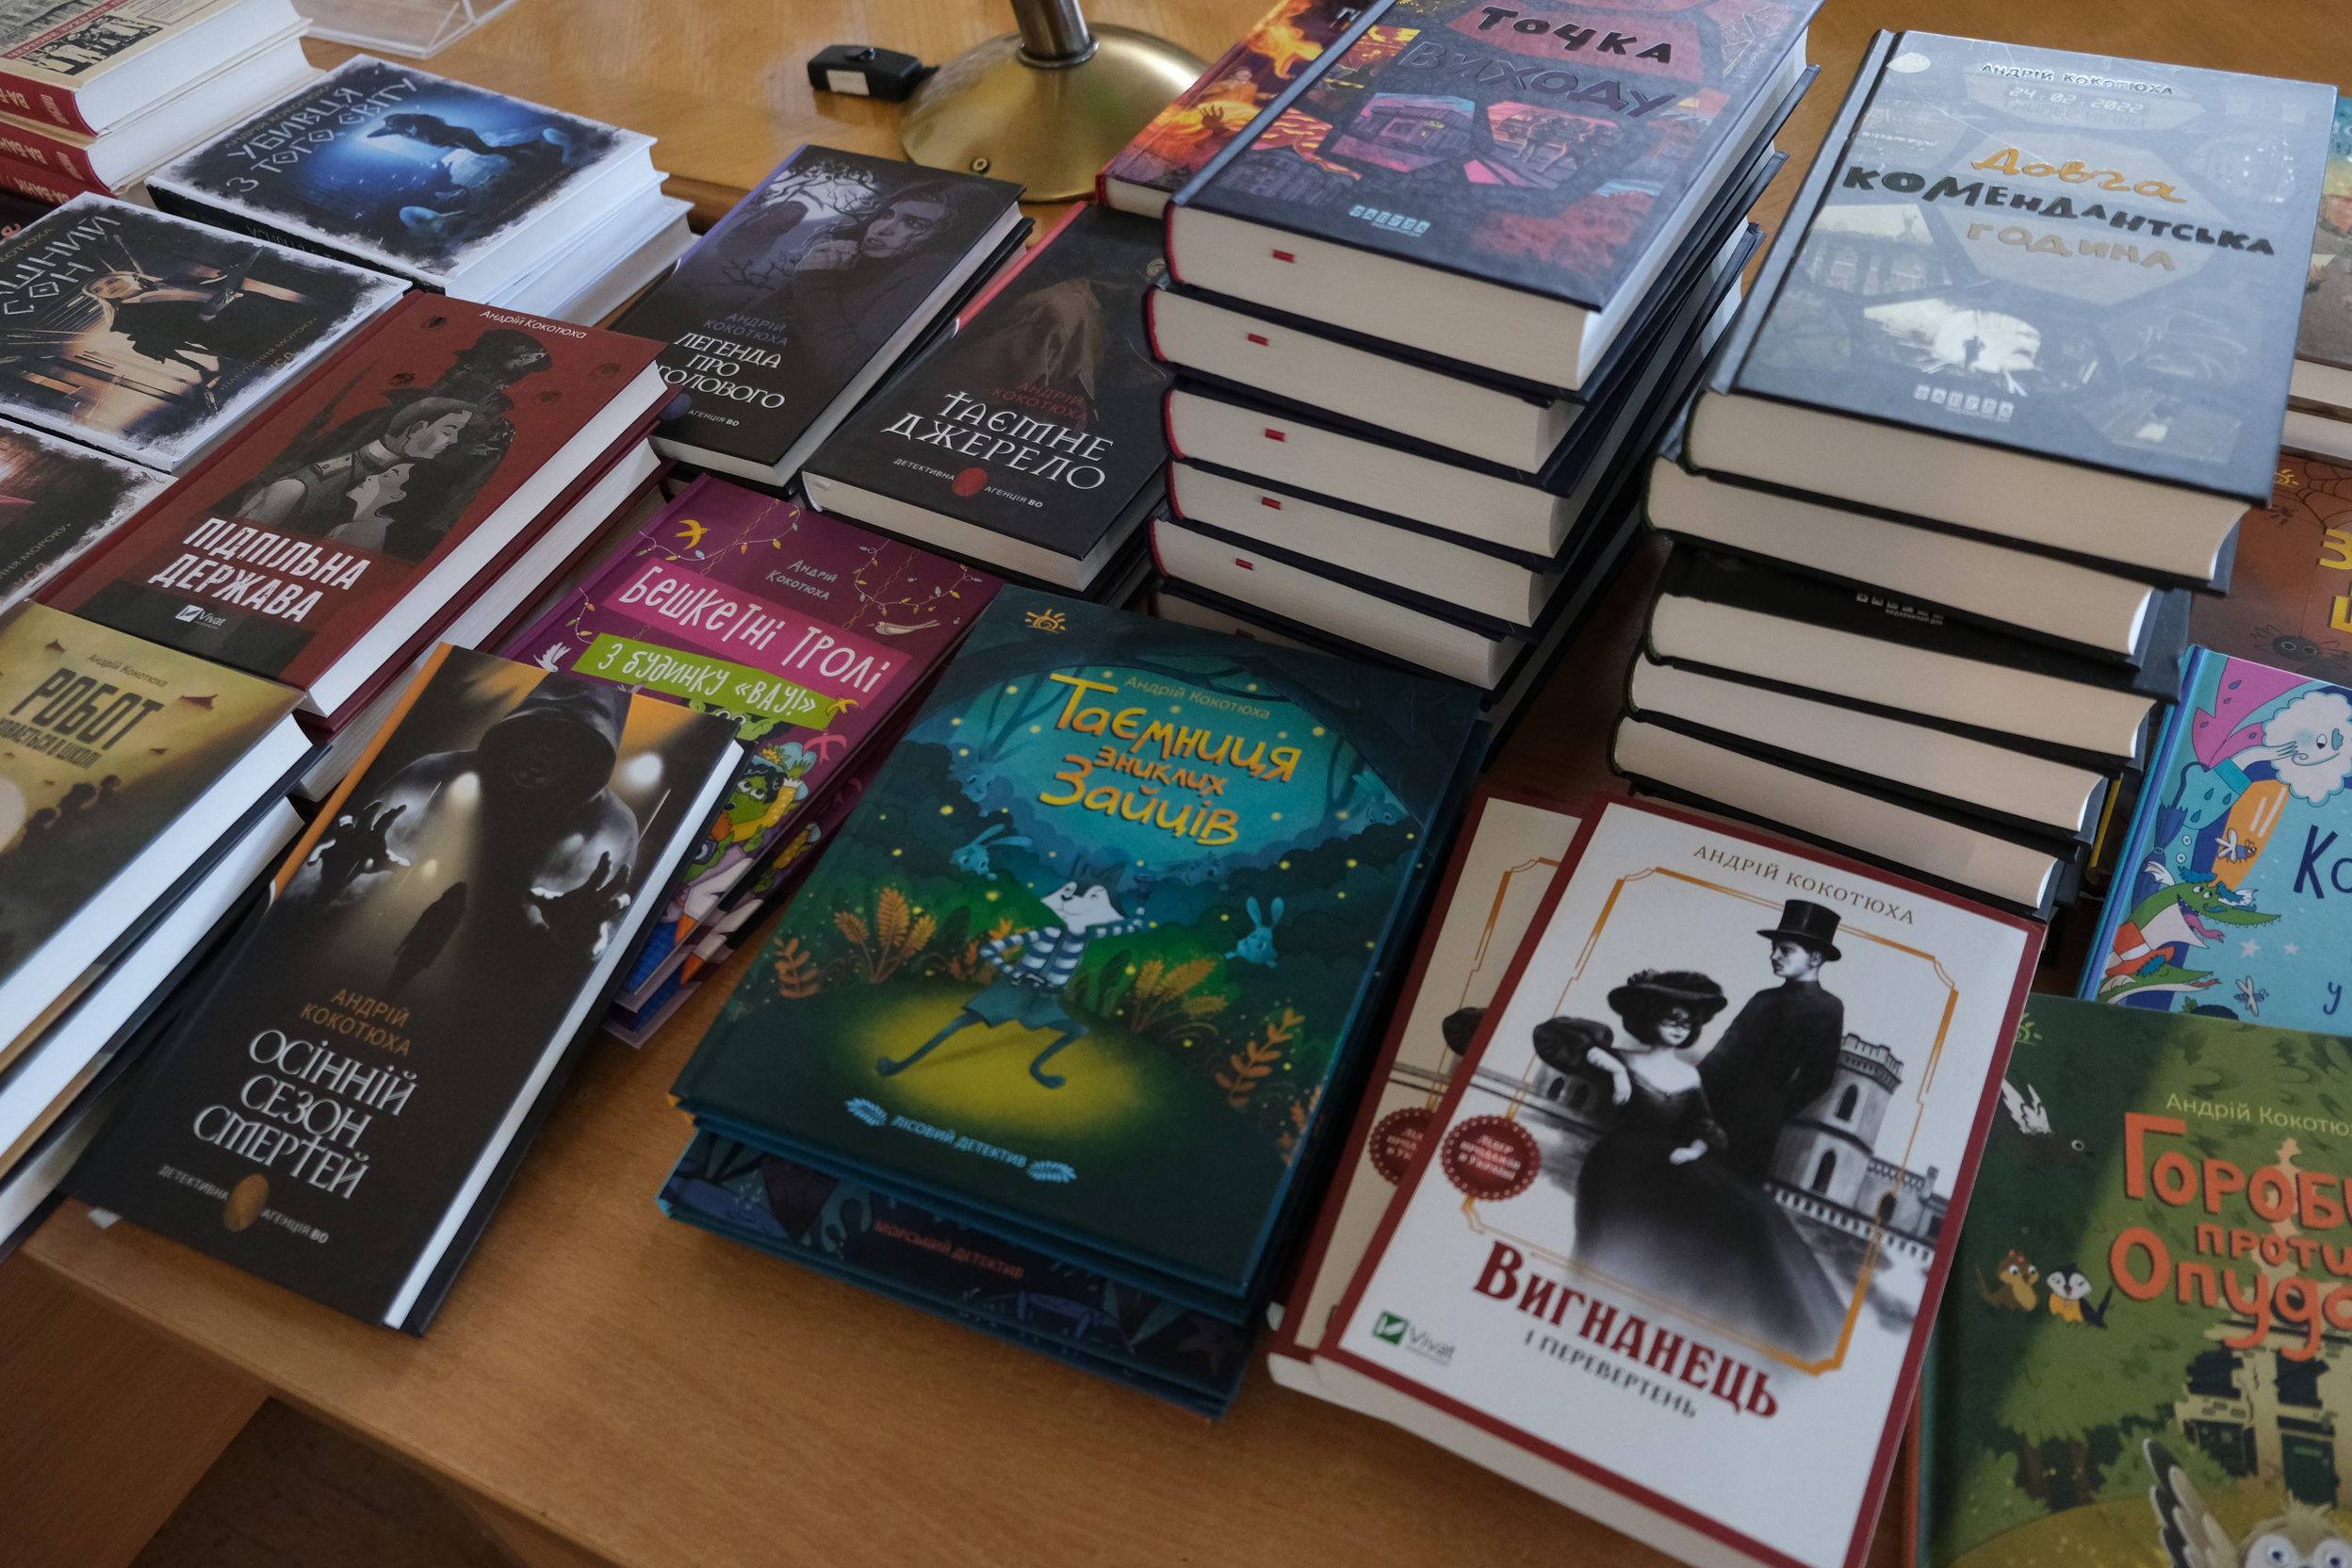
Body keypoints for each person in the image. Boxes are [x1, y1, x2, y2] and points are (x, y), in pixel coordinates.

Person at [1541, 971, 1848, 1359]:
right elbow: (1551, 1036)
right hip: (1616, 1168)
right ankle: (1579, 1313)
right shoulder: (1620, 1060)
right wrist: (1613, 1067)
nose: (1679, 1026)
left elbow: (1704, 1125)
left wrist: (1697, 1149)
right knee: (1607, 1245)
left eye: (1686, 1022)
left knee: (1744, 1220)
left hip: (1669, 1168)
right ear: (1648, 1018)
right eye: (1670, 1017)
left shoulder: (1688, 1076)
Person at [1697, 898, 1847, 1185]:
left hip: (1758, 1129)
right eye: (1774, 949)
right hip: (1713, 1109)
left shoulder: (1828, 1008)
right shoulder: (1762, 999)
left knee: (1730, 1191)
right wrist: (1693, 1097)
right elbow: (1721, 1057)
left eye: (1786, 950)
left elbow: (1819, 1077)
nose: (1774, 956)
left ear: (1815, 959)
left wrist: (1774, 1110)